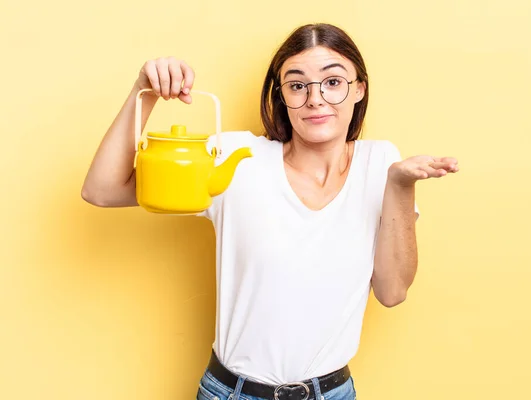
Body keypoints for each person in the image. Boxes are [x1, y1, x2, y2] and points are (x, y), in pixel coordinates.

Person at [82, 23, 459, 400]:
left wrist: (400, 186)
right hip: (233, 393)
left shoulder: (381, 164)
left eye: (332, 82)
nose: (315, 98)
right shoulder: (238, 159)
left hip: (333, 393)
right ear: (281, 96)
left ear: (359, 88)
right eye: (297, 85)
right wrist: (143, 93)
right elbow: (102, 190)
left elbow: (392, 292)